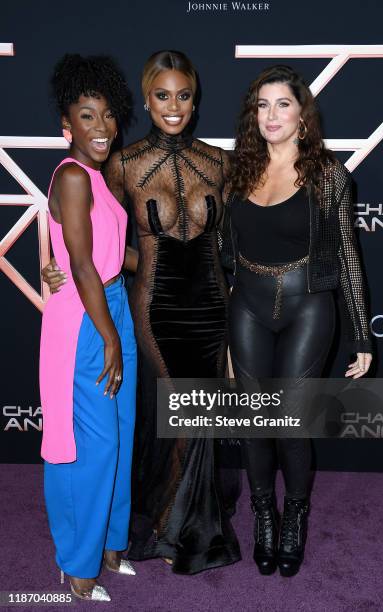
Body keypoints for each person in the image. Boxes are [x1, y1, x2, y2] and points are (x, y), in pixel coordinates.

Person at [43, 50, 241, 575]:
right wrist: (51, 261)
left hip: (208, 305)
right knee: (166, 419)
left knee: (189, 419)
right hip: (149, 307)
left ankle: (188, 527)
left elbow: (234, 243)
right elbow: (85, 236)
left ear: (194, 102)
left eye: (183, 95)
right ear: (148, 100)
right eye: (161, 95)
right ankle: (161, 528)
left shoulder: (221, 162)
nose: (173, 106)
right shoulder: (120, 165)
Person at [221, 65, 373, 577]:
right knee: (255, 424)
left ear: (302, 113)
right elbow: (221, 252)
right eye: (262, 105)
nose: (271, 115)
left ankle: (296, 516)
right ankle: (265, 514)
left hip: (309, 302)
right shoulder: (237, 170)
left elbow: (349, 256)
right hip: (247, 303)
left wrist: (362, 334)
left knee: (287, 423)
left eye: (282, 103)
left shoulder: (328, 174)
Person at [40, 54, 137, 602]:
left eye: (106, 116)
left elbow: (110, 254)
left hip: (112, 303)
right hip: (85, 319)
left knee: (118, 434)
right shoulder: (73, 175)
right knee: (90, 444)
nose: (100, 128)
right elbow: (79, 266)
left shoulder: (99, 178)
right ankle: (76, 566)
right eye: (86, 116)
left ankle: (110, 544)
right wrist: (109, 336)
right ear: (66, 126)